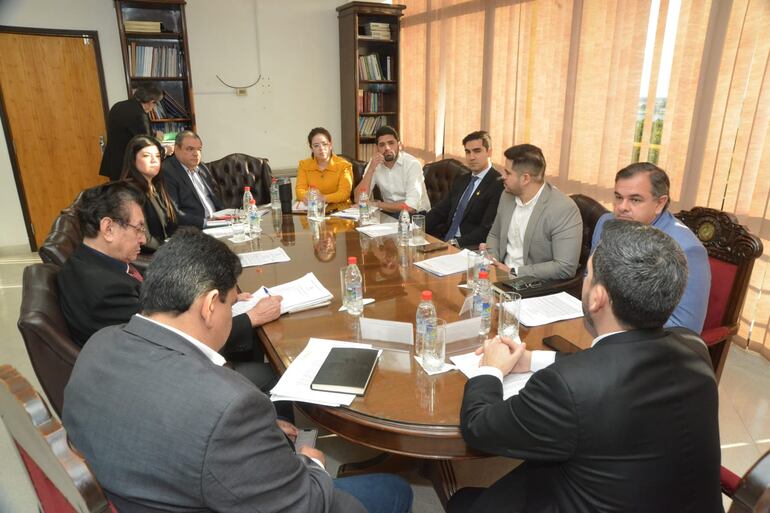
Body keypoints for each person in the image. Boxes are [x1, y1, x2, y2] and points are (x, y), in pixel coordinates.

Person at [62, 229, 414, 513]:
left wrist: (252, 436)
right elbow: (304, 503)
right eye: (232, 303)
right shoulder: (228, 406)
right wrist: (313, 465)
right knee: (394, 490)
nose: (233, 314)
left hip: (139, 491)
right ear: (210, 305)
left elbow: (164, 417)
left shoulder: (100, 343)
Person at [448, 219, 722, 513]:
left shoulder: (568, 387)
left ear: (598, 298)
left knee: (463, 502)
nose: (585, 282)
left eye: (588, 275)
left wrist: (490, 369)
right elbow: (610, 369)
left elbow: (479, 428)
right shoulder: (692, 345)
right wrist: (532, 360)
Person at [56, 182, 282, 394]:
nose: (143, 239)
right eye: (138, 228)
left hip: (163, 363)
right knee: (276, 375)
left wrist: (220, 296)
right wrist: (251, 316)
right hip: (168, 380)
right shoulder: (102, 290)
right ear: (108, 228)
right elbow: (174, 337)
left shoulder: (95, 263)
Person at [591, 162, 710, 333]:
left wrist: (614, 325)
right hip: (597, 325)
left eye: (635, 199)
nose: (622, 207)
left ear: (660, 203)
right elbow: (591, 278)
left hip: (646, 343)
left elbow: (686, 327)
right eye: (618, 197)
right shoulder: (606, 223)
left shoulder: (687, 249)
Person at [484, 144, 582, 280]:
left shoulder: (563, 208)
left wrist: (513, 271)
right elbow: (495, 235)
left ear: (525, 179)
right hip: (499, 275)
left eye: (507, 173)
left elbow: (565, 267)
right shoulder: (507, 196)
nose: (502, 176)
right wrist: (492, 259)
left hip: (532, 284)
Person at [425, 131, 504, 247]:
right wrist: (416, 227)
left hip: (469, 247)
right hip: (444, 239)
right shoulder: (462, 179)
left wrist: (455, 243)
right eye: (468, 152)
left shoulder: (497, 184)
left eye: (477, 151)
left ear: (489, 152)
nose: (471, 157)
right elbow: (440, 211)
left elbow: (486, 229)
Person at [354, 126, 430, 215]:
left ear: (399, 145)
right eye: (382, 145)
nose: (387, 148)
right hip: (390, 213)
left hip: (417, 216)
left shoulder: (412, 164)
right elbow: (358, 199)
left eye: (391, 143)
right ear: (377, 148)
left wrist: (376, 204)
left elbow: (411, 207)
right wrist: (371, 169)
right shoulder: (374, 163)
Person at [120, 135, 178, 252]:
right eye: (146, 156)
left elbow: (171, 226)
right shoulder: (128, 193)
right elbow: (143, 239)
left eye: (157, 156)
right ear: (133, 160)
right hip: (150, 258)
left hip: (166, 250)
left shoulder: (156, 186)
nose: (154, 160)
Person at [99, 86, 163, 182]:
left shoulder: (118, 106)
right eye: (155, 104)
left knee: (118, 194)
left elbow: (126, 130)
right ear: (151, 102)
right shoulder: (140, 115)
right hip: (129, 167)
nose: (153, 108)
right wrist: (164, 150)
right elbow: (146, 144)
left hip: (114, 163)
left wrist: (153, 133)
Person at [161, 130, 223, 228]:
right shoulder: (167, 171)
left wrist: (227, 217)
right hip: (194, 229)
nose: (196, 154)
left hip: (218, 223)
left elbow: (216, 198)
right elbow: (174, 213)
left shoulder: (202, 167)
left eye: (199, 149)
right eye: (190, 149)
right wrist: (206, 223)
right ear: (176, 149)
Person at [296, 127, 354, 213]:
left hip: (339, 212)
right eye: (316, 145)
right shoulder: (304, 165)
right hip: (313, 211)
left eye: (324, 144)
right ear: (311, 148)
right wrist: (306, 197)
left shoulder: (344, 165)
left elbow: (344, 193)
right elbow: (299, 189)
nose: (321, 148)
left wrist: (324, 198)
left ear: (330, 145)